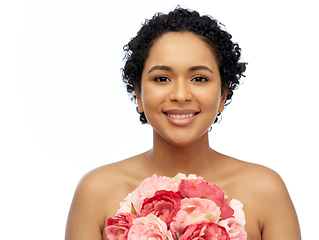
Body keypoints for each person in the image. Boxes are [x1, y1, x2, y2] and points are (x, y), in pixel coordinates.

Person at [65, 7, 301, 240]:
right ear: (138, 93)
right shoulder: (96, 192)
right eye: (162, 78)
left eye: (199, 78)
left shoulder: (265, 191)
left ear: (223, 95)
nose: (180, 94)